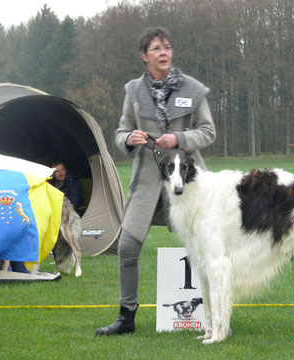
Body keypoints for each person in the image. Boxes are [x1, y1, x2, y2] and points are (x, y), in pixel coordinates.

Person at [95, 27, 216, 336]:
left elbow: (208, 131)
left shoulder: (193, 89)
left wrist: (178, 137)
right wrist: (131, 139)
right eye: (157, 48)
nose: (164, 52)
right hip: (147, 184)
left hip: (189, 184)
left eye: (168, 47)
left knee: (206, 250)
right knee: (127, 247)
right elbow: (121, 133)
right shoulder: (133, 91)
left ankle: (215, 314)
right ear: (145, 56)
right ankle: (126, 318)